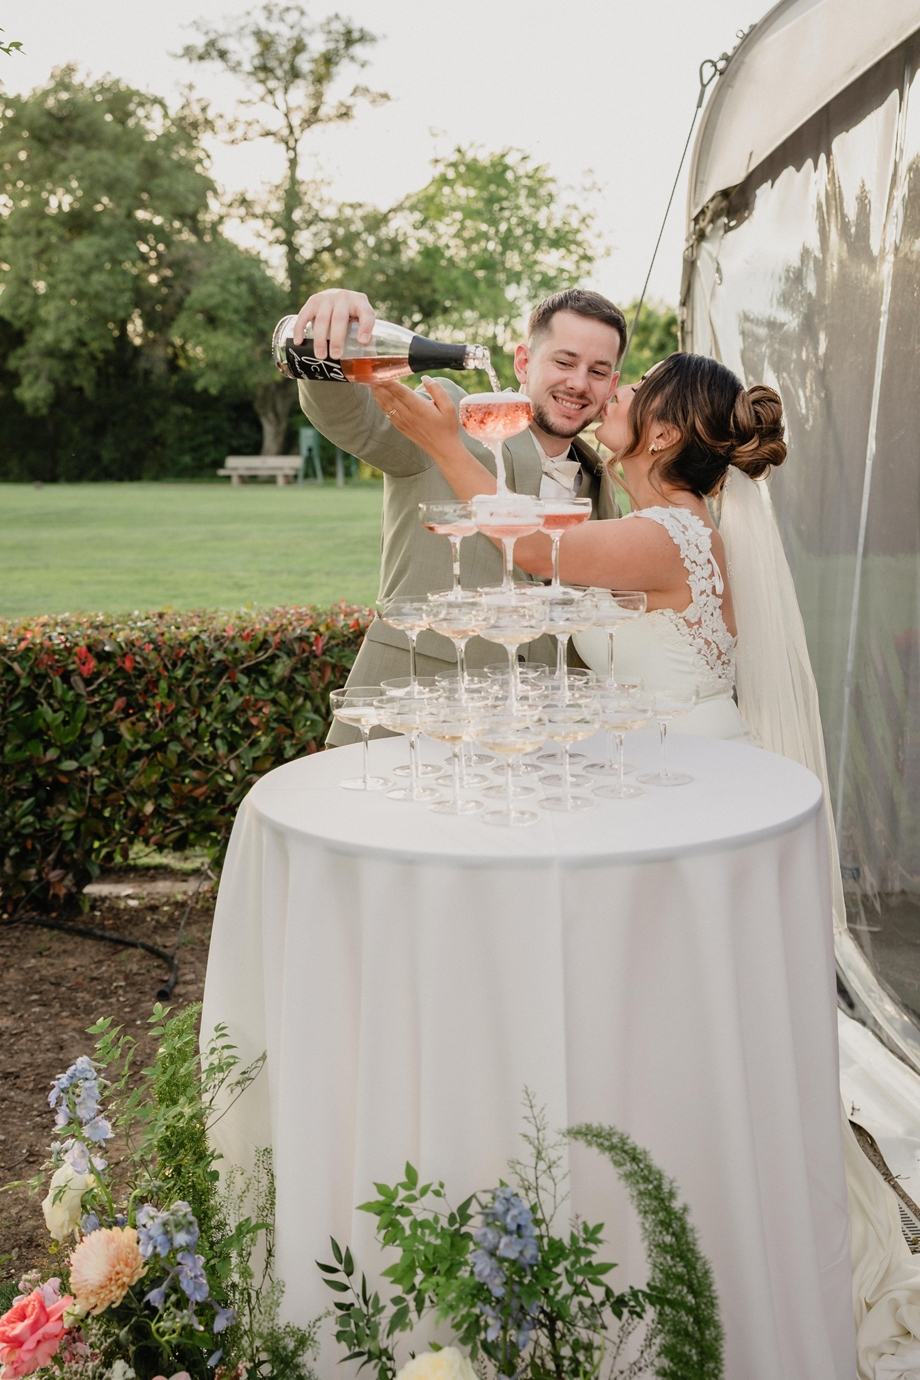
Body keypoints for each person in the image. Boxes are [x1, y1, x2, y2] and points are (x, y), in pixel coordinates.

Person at [374, 351, 920, 1378]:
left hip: (688, 790)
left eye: (630, 392)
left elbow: (532, 549)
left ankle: (692, 1222)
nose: (610, 396)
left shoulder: (670, 533)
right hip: (663, 782)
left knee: (667, 1027)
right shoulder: (671, 528)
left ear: (663, 434)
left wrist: (443, 440)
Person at [290, 286, 627, 744]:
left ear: (612, 382)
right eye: (564, 362)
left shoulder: (604, 485)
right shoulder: (450, 419)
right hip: (411, 719)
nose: (579, 384)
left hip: (538, 740)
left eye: (598, 371)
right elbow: (351, 419)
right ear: (524, 362)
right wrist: (328, 330)